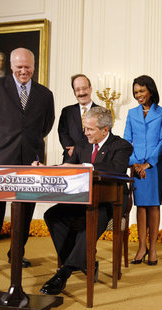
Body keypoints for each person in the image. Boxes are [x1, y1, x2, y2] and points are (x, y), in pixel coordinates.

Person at [0, 47, 55, 276]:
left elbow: (46, 126)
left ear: (34, 67)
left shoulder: (45, 94)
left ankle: (16, 253)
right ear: (11, 66)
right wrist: (1, 140)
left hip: (30, 161)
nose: (24, 71)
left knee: (26, 211)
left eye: (28, 67)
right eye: (19, 67)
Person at [39, 106, 133, 295]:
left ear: (105, 129)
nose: (85, 132)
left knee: (92, 218)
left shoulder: (121, 146)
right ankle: (85, 261)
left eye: (90, 129)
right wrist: (47, 168)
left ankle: (64, 273)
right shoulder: (82, 145)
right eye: (85, 128)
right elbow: (69, 168)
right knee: (52, 215)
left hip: (110, 203)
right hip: (82, 199)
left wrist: (84, 166)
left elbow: (116, 169)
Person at [123, 75, 162, 266]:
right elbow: (126, 141)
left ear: (150, 90)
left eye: (142, 91)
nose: (138, 95)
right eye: (135, 92)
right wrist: (134, 163)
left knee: (153, 205)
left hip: (154, 166)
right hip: (135, 166)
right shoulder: (131, 113)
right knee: (140, 206)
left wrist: (147, 163)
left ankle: (153, 248)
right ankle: (141, 247)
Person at [58, 74, 99, 161]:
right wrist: (72, 148)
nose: (81, 93)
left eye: (84, 88)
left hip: (93, 158)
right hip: (70, 157)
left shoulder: (102, 112)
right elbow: (62, 133)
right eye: (77, 90)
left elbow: (104, 135)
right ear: (74, 92)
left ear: (90, 89)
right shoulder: (66, 111)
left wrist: (86, 151)